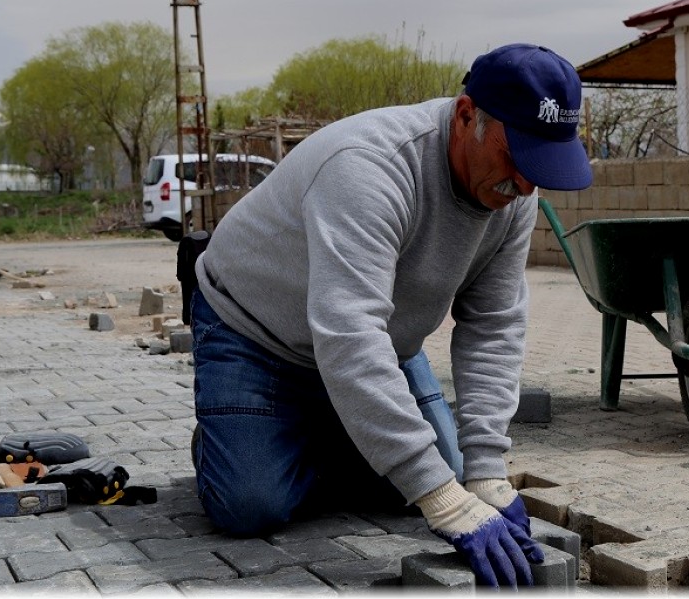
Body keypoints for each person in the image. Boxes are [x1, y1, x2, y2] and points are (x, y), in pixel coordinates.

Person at [190, 43, 593, 587]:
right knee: (251, 504)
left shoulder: (514, 196)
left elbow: (493, 326)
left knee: (444, 473)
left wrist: (486, 471)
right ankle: (241, 438)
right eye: (517, 156)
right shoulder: (369, 167)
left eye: (540, 167)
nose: (524, 184)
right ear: (466, 115)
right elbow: (349, 333)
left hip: (381, 345)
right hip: (256, 335)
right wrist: (443, 500)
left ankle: (333, 426)